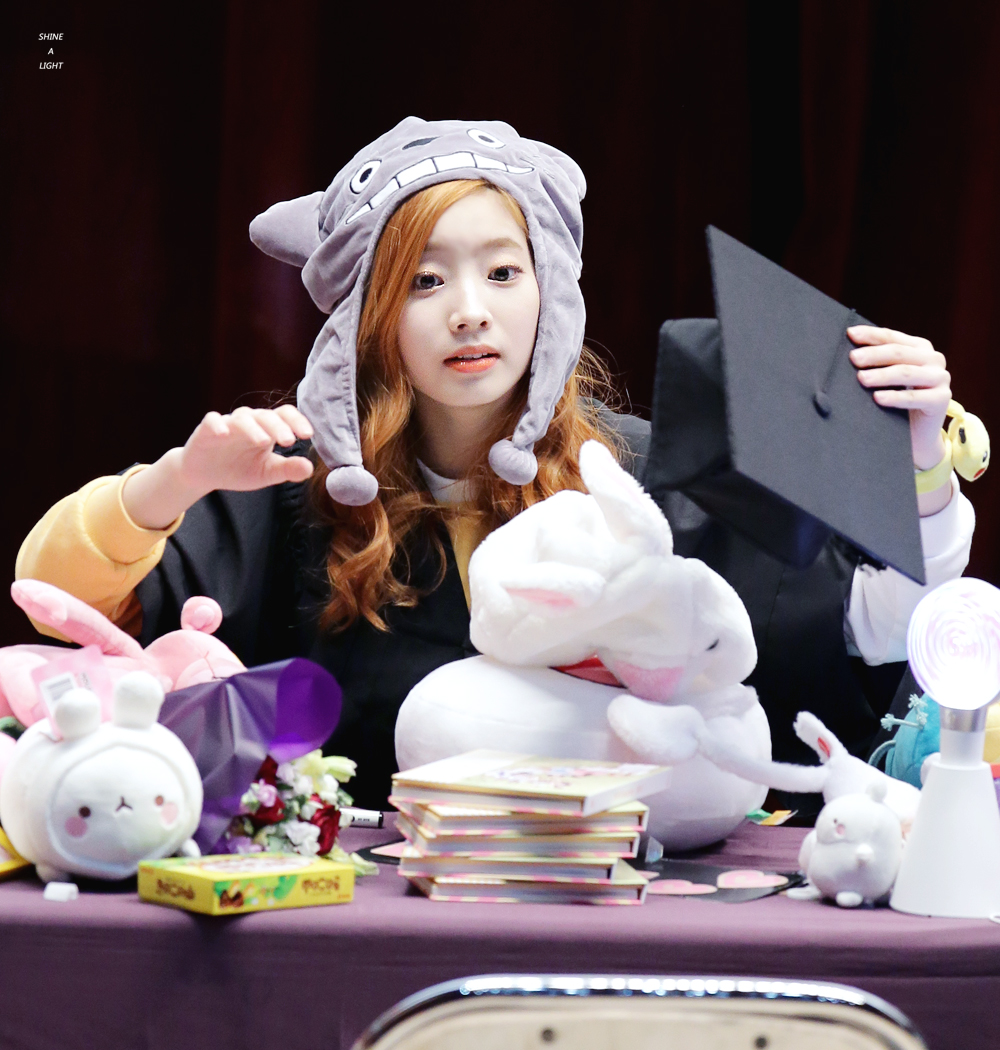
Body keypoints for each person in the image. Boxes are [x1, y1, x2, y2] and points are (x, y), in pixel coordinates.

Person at [16, 117, 972, 809]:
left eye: (504, 272)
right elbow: (61, 603)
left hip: (623, 916)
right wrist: (175, 482)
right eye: (424, 280)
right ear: (367, 318)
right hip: (374, 923)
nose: (469, 310)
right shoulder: (298, 484)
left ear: (550, 294)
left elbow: (874, 630)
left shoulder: (642, 474)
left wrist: (921, 463)